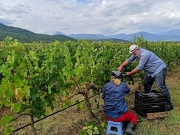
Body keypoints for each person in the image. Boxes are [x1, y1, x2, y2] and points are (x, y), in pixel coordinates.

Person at [117, 44, 173, 111]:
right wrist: (121, 66)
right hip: (150, 71)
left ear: (137, 50)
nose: (133, 54)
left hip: (158, 69)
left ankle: (168, 104)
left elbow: (139, 68)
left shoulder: (144, 54)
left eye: (133, 52)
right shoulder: (136, 54)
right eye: (132, 53)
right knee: (146, 83)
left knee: (161, 86)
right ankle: (148, 100)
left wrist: (130, 73)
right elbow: (129, 59)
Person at [102, 70, 137, 135]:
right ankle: (129, 129)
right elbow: (128, 91)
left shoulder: (105, 86)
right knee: (133, 117)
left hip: (107, 115)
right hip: (119, 116)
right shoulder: (123, 85)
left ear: (111, 77)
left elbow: (103, 97)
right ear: (120, 78)